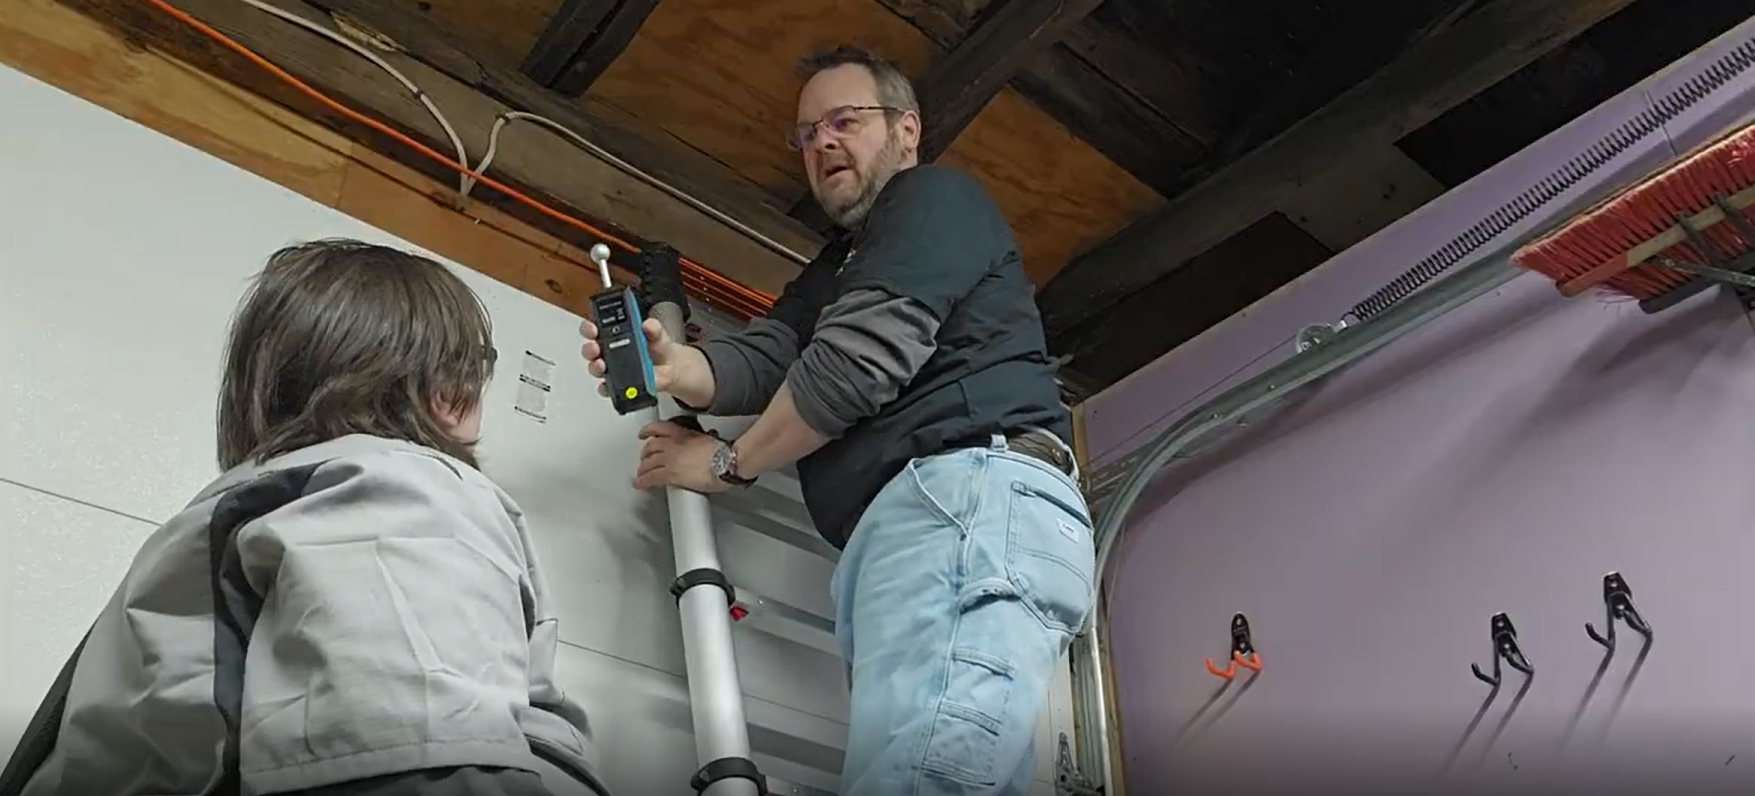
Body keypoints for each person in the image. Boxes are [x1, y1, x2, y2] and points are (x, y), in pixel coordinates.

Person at [578, 46, 1096, 796]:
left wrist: (726, 464)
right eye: (805, 134)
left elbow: (851, 367)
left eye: (843, 121)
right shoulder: (836, 270)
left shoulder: (930, 200)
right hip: (935, 523)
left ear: (907, 131)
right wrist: (673, 366)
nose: (820, 143)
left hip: (964, 504)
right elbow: (772, 354)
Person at [9, 240, 607, 796]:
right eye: (476, 361)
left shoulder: (232, 519)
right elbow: (425, 766)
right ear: (442, 380)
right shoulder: (396, 490)